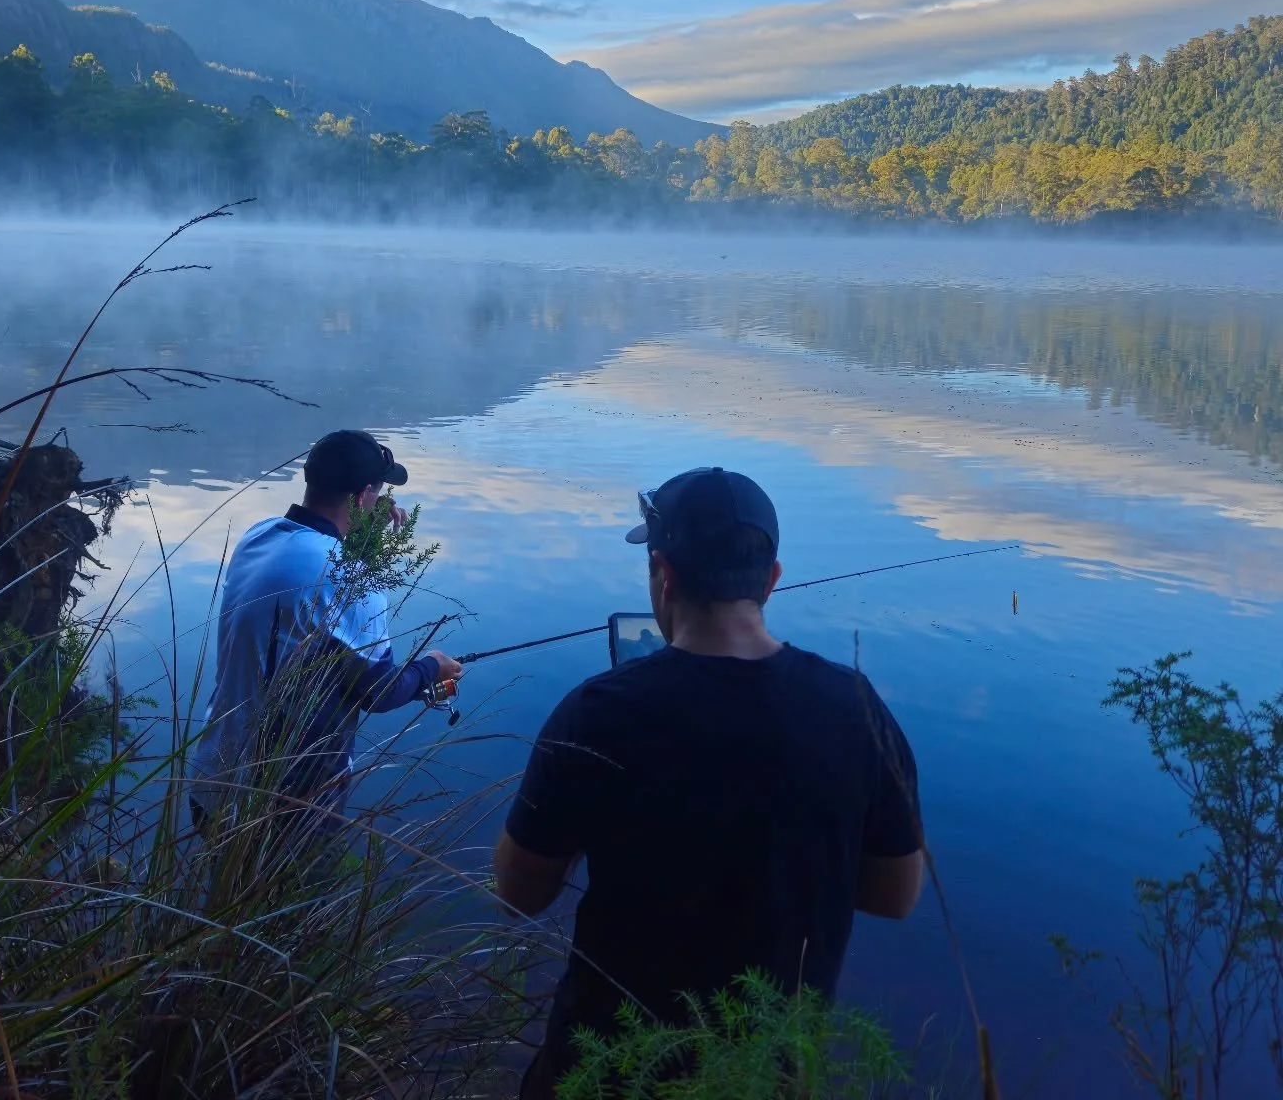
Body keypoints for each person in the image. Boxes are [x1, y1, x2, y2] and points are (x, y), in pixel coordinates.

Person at [494, 466, 924, 1097]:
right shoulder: (857, 709)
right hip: (765, 1075)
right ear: (772, 580)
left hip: (605, 1071)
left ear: (663, 575)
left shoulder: (600, 711)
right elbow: (896, 896)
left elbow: (517, 892)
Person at [189, 429, 463, 832]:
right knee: (287, 895)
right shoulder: (349, 580)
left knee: (221, 894)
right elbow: (381, 693)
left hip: (212, 780)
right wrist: (431, 667)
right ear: (359, 497)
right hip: (284, 805)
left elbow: (316, 602)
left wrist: (363, 521)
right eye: (378, 490)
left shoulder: (259, 537)